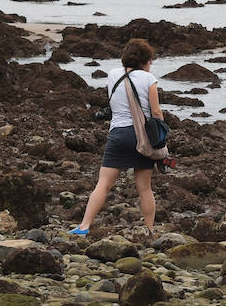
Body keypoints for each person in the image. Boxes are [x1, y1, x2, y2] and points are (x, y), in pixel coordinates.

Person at [70, 38, 164, 235]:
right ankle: (149, 230)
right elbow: (156, 112)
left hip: (118, 134)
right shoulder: (149, 79)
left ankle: (84, 226)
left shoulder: (113, 75)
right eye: (150, 60)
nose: (151, 64)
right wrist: (162, 136)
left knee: (103, 184)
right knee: (144, 188)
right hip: (141, 137)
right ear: (144, 60)